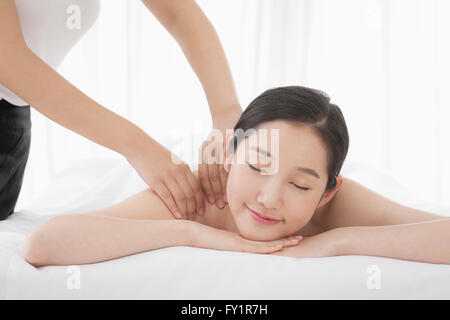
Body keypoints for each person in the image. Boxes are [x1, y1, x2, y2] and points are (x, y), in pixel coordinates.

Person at [23, 86, 449, 267]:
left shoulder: (339, 202)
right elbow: (44, 244)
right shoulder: (194, 198)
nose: (268, 198)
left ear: (325, 192)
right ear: (230, 155)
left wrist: (339, 240)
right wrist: (192, 233)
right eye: (257, 166)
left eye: (300, 185)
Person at [0, 0, 241, 221]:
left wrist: (226, 112)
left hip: (14, 121)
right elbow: (10, 58)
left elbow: (178, 13)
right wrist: (139, 148)